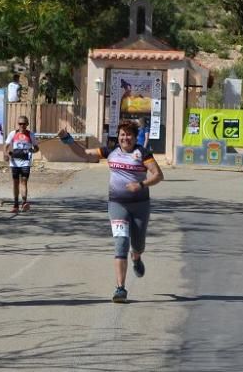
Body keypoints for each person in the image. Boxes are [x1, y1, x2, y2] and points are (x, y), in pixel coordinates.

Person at [58, 121, 164, 303]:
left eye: (129, 134)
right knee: (121, 242)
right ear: (118, 136)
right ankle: (120, 288)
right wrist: (67, 139)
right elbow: (84, 154)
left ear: (135, 136)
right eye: (122, 134)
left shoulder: (142, 153)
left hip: (140, 205)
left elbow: (158, 175)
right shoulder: (111, 152)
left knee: (138, 244)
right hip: (117, 205)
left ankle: (136, 257)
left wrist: (141, 184)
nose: (125, 138)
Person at [5, 115, 39, 213]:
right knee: (15, 183)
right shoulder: (13, 133)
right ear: (18, 124)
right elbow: (6, 145)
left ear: (27, 124)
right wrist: (6, 154)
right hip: (14, 162)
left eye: (24, 124)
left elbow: (36, 148)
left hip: (25, 162)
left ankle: (24, 203)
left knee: (24, 182)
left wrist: (33, 149)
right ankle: (15, 205)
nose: (22, 126)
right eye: (20, 124)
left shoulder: (30, 135)